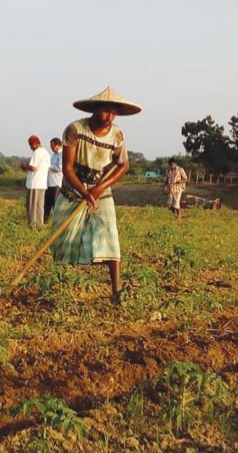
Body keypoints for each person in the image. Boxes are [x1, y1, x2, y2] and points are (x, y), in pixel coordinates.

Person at [50, 86, 141, 302]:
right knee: (62, 240)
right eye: (106, 111)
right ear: (95, 110)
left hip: (100, 190)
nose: (110, 117)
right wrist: (84, 192)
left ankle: (116, 291)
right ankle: (58, 289)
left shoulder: (117, 136)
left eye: (113, 113)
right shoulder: (75, 130)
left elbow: (123, 166)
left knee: (111, 237)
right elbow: (68, 168)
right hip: (73, 189)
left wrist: (98, 189)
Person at [19, 135, 50, 226]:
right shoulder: (46, 153)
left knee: (31, 205)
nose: (30, 148)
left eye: (30, 145)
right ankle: (40, 223)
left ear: (34, 143)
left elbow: (33, 168)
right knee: (39, 206)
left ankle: (32, 224)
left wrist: (24, 166)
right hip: (42, 184)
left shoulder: (37, 152)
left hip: (34, 183)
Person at [44, 137, 63, 222]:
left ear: (58, 145)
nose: (51, 148)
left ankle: (57, 221)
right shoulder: (53, 155)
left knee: (55, 203)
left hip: (57, 183)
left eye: (52, 146)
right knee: (47, 203)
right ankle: (45, 220)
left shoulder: (62, 154)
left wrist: (48, 167)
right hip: (50, 182)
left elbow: (59, 168)